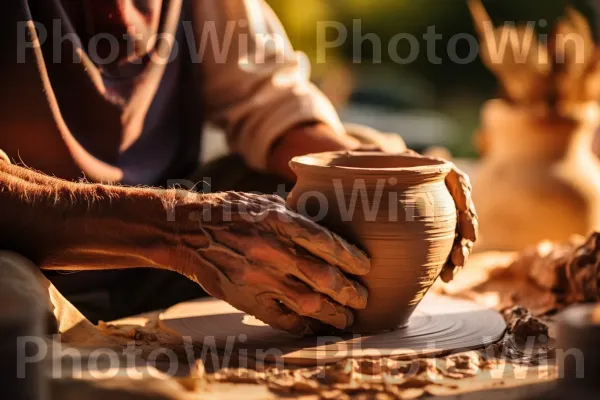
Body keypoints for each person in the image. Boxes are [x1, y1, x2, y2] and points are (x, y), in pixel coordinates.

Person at [0, 0, 377, 336]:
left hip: (159, 267)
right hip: (41, 271)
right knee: (9, 285)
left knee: (335, 178)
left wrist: (390, 181)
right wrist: (180, 229)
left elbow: (268, 98)